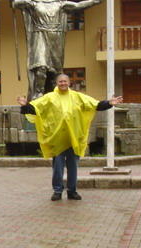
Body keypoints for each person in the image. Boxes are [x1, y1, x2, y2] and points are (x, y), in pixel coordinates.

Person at [17, 73, 123, 201]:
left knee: (73, 167)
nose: (63, 83)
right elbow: (36, 108)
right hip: (57, 139)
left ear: (69, 83)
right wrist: (25, 105)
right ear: (57, 83)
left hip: (74, 138)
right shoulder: (50, 97)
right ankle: (57, 191)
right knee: (58, 168)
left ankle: (72, 191)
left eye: (65, 81)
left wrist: (109, 103)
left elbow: (94, 104)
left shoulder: (77, 97)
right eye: (60, 81)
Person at [11, 0, 102, 101]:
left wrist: (93, 1)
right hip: (40, 35)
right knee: (40, 66)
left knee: (55, 70)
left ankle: (54, 93)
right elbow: (16, 4)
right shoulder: (32, 1)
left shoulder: (59, 1)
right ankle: (38, 93)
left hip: (56, 37)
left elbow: (76, 6)